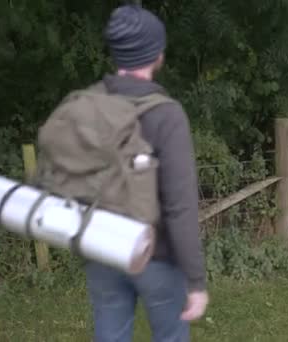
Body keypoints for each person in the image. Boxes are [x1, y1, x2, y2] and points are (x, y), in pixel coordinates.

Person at [84, 4, 208, 342]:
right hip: (157, 257)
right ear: (157, 54)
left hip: (102, 250)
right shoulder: (167, 116)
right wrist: (196, 281)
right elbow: (180, 206)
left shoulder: (90, 106)